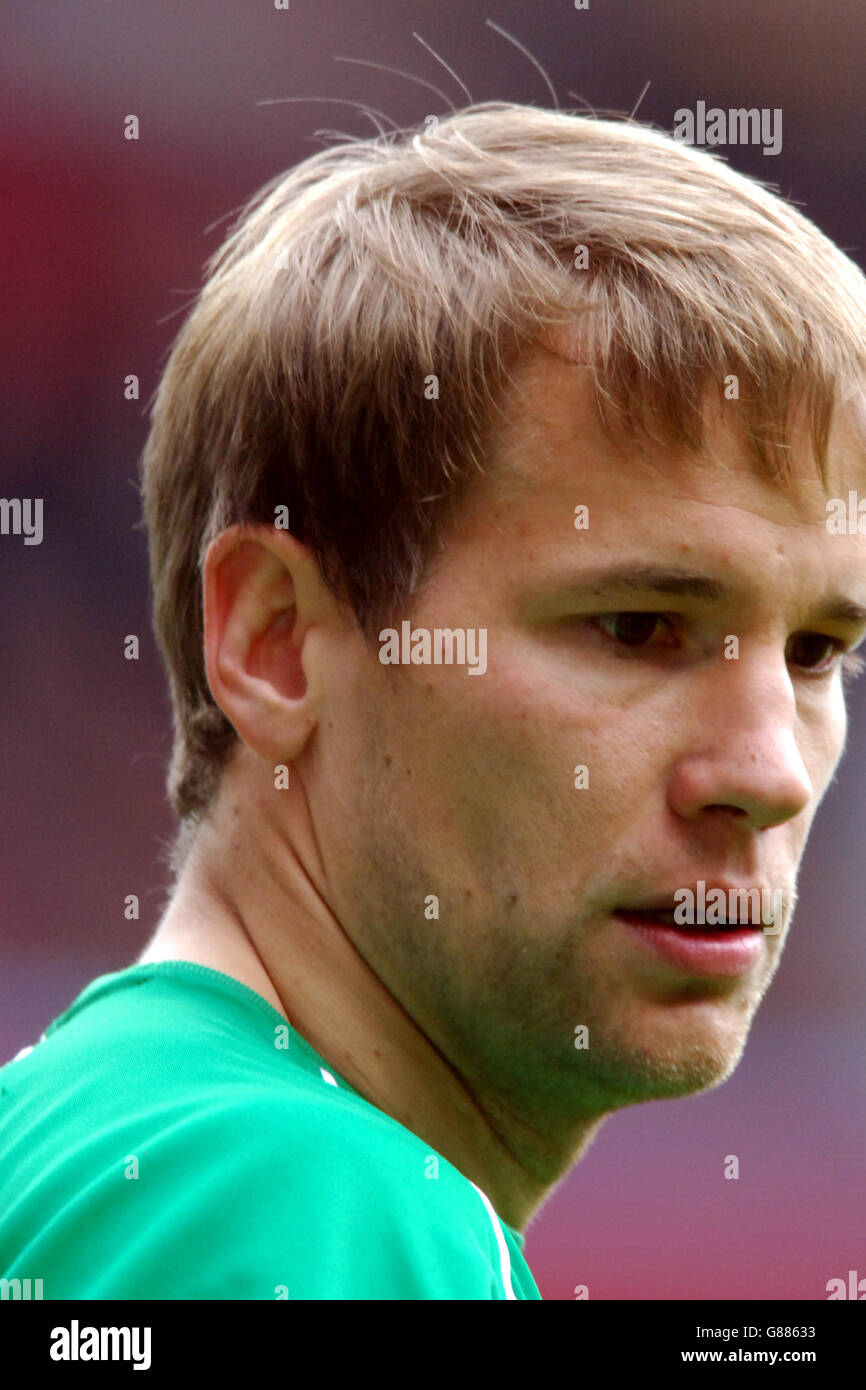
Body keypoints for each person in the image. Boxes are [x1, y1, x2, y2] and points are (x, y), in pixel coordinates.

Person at [2, 102, 865, 1301]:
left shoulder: (105, 1135)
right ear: (277, 642)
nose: (766, 771)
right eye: (633, 627)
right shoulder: (308, 1199)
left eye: (817, 651)